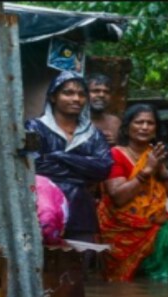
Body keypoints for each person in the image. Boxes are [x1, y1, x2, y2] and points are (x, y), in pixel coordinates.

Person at [97, 104, 168, 282]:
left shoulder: (163, 154)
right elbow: (118, 197)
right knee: (121, 288)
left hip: (157, 230)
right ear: (127, 127)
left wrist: (162, 170)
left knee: (160, 287)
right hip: (120, 231)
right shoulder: (114, 155)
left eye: (150, 123)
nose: (144, 127)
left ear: (156, 128)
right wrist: (146, 171)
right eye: (139, 122)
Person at [25, 71, 113, 242]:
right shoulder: (35, 127)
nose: (76, 99)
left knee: (80, 263)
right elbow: (34, 165)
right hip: (42, 211)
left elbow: (103, 168)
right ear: (53, 97)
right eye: (68, 93)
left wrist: (59, 157)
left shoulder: (93, 134)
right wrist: (83, 168)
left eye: (81, 94)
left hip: (81, 212)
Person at [86, 74, 121, 146]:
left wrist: (115, 143)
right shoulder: (73, 120)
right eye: (96, 91)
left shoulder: (115, 123)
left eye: (106, 92)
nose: (102, 95)